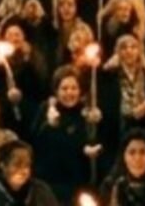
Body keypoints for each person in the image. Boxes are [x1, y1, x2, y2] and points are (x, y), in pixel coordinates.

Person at [31, 66, 100, 204]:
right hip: (50, 181)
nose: (69, 92)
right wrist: (49, 125)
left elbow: (93, 141)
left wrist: (92, 147)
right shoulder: (46, 109)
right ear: (56, 91)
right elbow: (34, 139)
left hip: (78, 182)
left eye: (74, 88)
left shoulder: (86, 112)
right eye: (64, 88)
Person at [0, 140, 59, 206]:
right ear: (3, 166)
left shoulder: (41, 190)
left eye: (27, 165)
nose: (23, 171)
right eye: (17, 165)